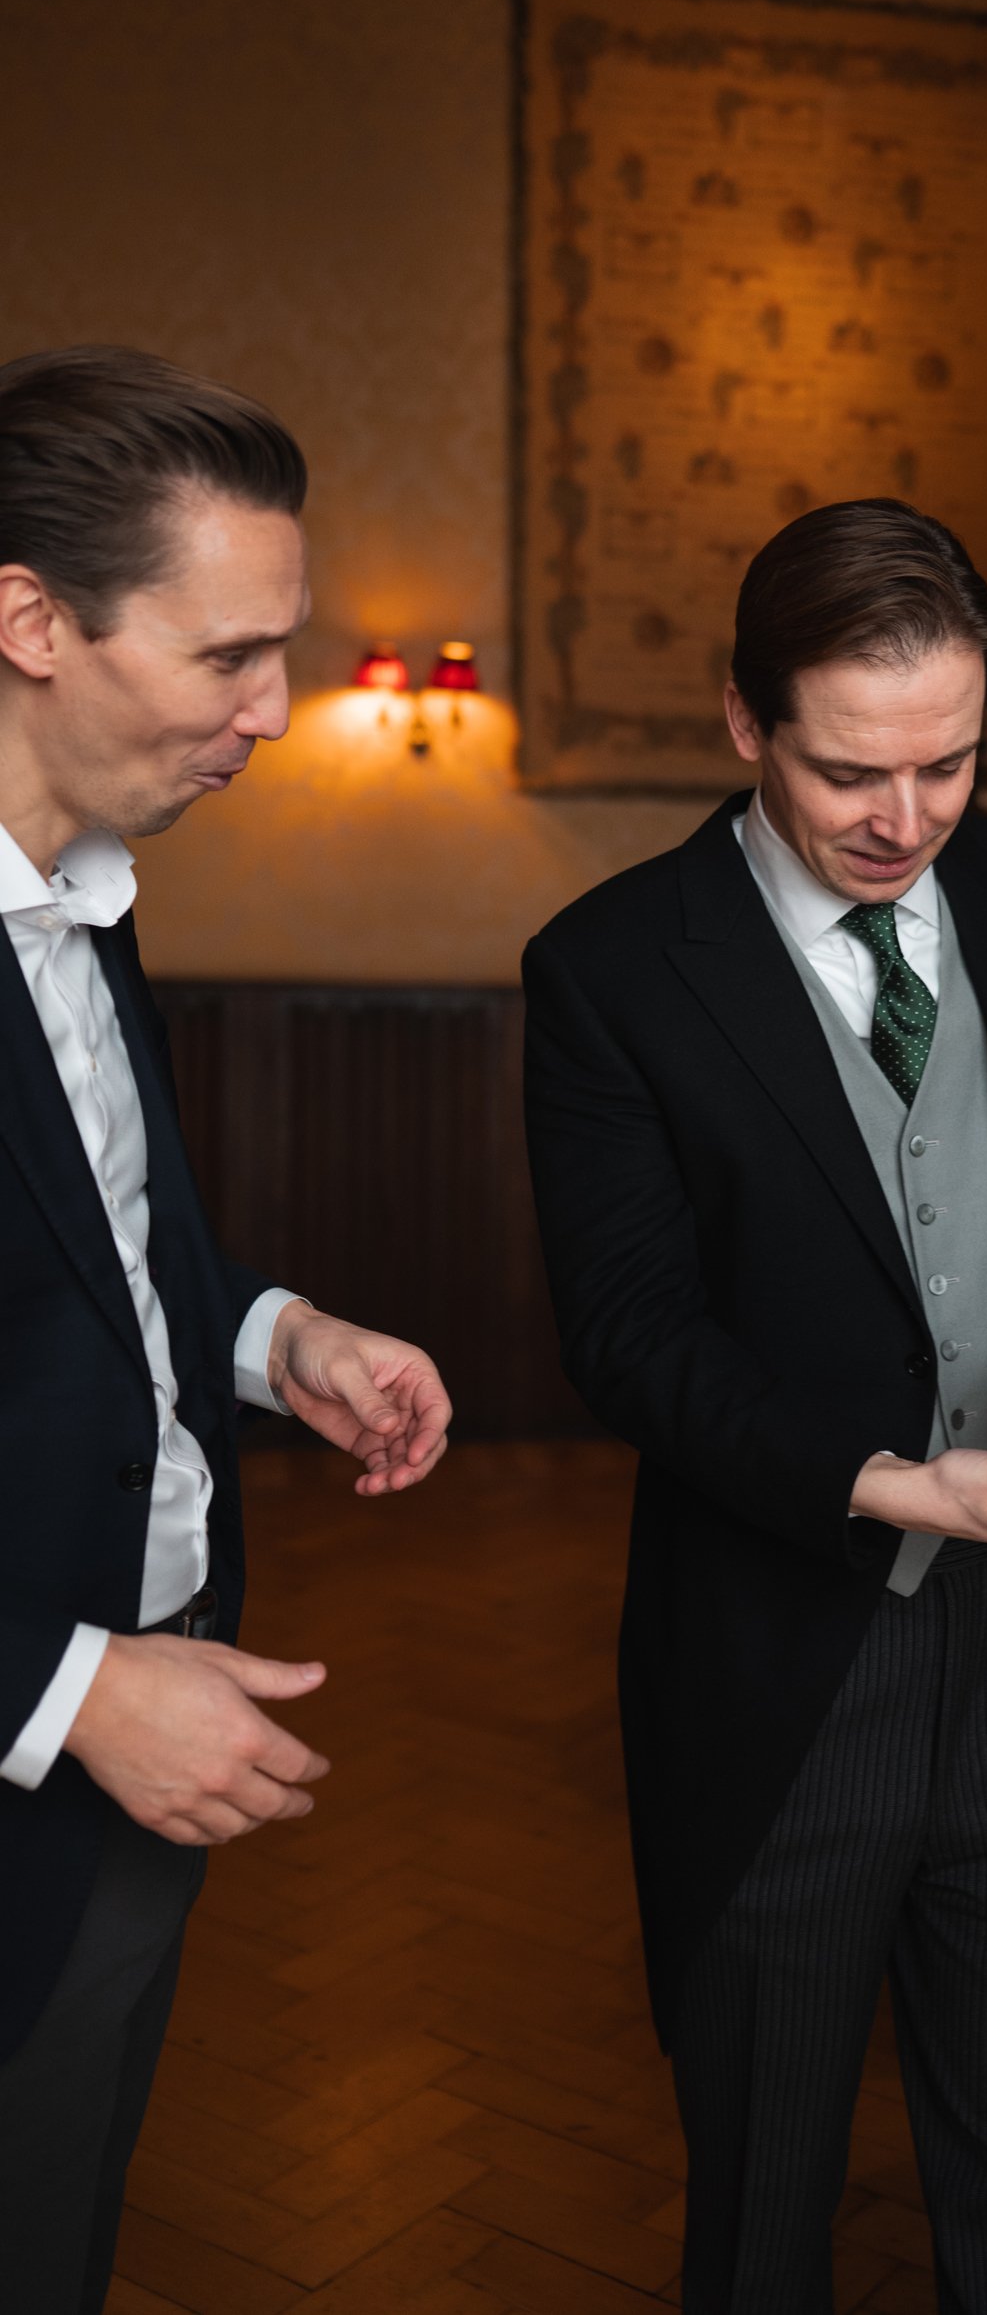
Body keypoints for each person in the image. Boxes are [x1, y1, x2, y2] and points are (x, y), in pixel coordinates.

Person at [523, 497, 987, 2312]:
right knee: (765, 2205)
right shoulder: (609, 970)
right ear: (747, 721)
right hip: (781, 1665)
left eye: (948, 765)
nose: (905, 823)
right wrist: (887, 1488)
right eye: (851, 772)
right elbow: (629, 1334)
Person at [0, 345, 452, 2313]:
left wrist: (277, 1335)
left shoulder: (89, 885)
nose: (274, 712)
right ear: (26, 619)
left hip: (143, 1728)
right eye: (229, 655)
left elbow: (96, 1241)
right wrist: (71, 1690)